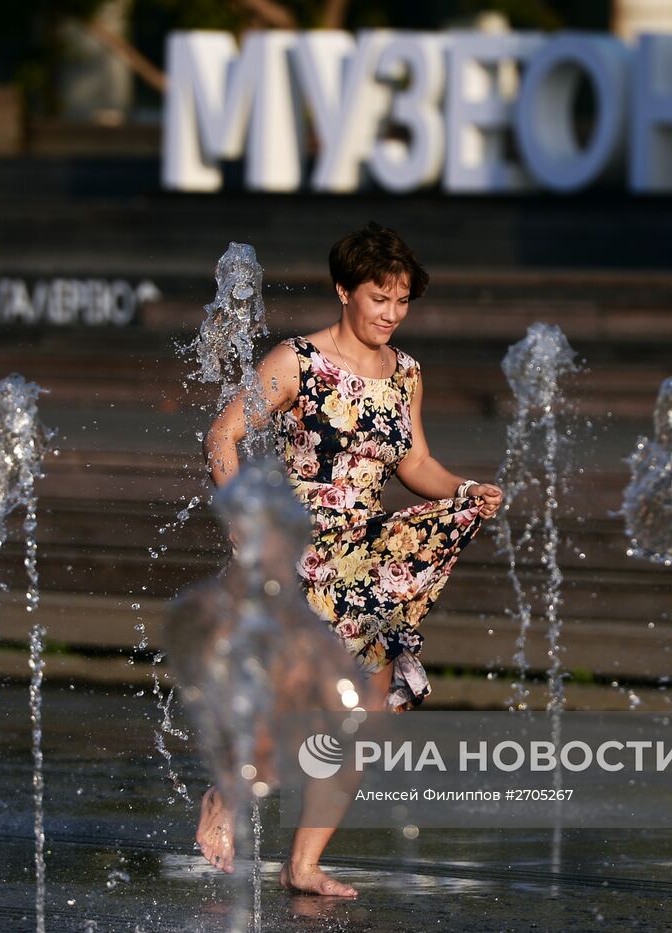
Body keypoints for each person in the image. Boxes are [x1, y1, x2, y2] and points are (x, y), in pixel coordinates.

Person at [196, 221, 503, 896]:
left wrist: (464, 489)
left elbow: (415, 463)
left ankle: (303, 865)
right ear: (344, 290)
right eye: (379, 297)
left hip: (366, 556)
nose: (391, 313)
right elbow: (222, 435)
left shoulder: (407, 373)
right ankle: (225, 793)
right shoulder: (297, 362)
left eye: (402, 301)